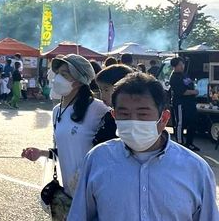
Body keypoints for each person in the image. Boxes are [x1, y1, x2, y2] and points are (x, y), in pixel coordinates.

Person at [68, 73, 219, 221]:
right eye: (124, 114)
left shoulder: (196, 169)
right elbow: (80, 215)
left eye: (143, 114)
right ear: (114, 116)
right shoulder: (97, 160)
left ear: (164, 118)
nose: (133, 121)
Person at [21, 54, 110, 197]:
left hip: (94, 192)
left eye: (64, 74)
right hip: (69, 191)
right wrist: (42, 153)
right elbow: (63, 150)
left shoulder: (98, 109)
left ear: (78, 81)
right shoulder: (57, 110)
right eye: (57, 73)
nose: (57, 78)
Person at [92, 64, 133, 146]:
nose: (102, 95)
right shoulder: (108, 115)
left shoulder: (129, 118)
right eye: (101, 90)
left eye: (106, 90)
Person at [169, 57, 200, 151]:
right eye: (180, 65)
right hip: (180, 104)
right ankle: (180, 144)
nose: (182, 66)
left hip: (190, 103)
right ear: (174, 66)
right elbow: (181, 91)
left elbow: (190, 84)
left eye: (183, 64)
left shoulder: (185, 75)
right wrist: (194, 92)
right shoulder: (174, 77)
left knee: (192, 123)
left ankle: (189, 143)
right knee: (180, 124)